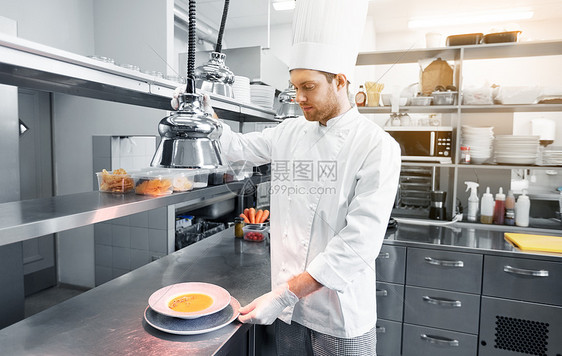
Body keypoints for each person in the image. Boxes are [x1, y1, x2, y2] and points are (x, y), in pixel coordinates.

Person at [173, 0, 400, 354]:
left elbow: (358, 246)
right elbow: (238, 148)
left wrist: (282, 297)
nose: (298, 98)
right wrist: (205, 116)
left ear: (339, 81)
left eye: (308, 87)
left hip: (339, 318)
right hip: (290, 313)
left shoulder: (376, 146)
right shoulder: (290, 131)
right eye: (295, 87)